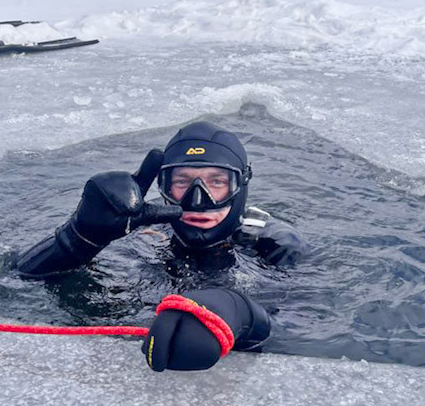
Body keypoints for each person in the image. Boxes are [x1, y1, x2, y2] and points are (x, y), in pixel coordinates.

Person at [16, 121, 305, 372]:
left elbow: (300, 327)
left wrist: (244, 314)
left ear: (241, 183)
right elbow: (18, 280)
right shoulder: (141, 232)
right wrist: (80, 235)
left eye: (217, 182)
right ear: (163, 187)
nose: (198, 200)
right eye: (182, 182)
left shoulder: (272, 244)